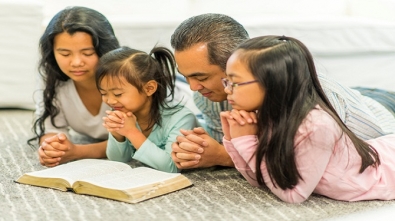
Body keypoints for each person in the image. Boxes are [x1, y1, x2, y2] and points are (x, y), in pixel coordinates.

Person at [170, 13, 395, 170]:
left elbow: (311, 165)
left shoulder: (316, 104)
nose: (193, 88)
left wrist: (223, 157)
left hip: (382, 108)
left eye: (201, 77)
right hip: (356, 93)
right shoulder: (209, 98)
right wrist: (195, 147)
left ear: (235, 65)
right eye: (185, 76)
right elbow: (231, 138)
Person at [220, 35, 395, 203]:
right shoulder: (270, 115)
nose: (227, 89)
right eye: (226, 81)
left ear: (273, 83)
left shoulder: (316, 125)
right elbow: (258, 180)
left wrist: (245, 140)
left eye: (234, 82)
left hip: (387, 171)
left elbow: (293, 195)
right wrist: (233, 138)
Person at [27, 6, 120, 167]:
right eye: (65, 54)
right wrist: (53, 147)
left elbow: (140, 139)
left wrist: (77, 151)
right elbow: (50, 127)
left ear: (105, 50)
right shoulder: (51, 76)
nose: (76, 63)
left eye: (87, 53)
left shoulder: (127, 74)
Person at [97, 46, 199, 173]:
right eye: (103, 93)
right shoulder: (123, 112)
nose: (110, 101)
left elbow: (171, 167)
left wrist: (132, 132)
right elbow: (118, 161)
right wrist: (117, 135)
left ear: (149, 88)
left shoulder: (181, 118)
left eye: (118, 94)